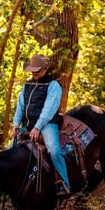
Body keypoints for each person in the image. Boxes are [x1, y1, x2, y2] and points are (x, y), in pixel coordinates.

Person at [11, 54, 72, 196]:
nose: (34, 73)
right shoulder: (27, 85)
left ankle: (64, 183)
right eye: (32, 70)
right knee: (10, 150)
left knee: (54, 150)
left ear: (45, 69)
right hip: (28, 124)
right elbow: (20, 106)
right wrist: (15, 124)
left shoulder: (53, 86)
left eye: (37, 70)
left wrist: (38, 127)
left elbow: (49, 109)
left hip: (47, 124)